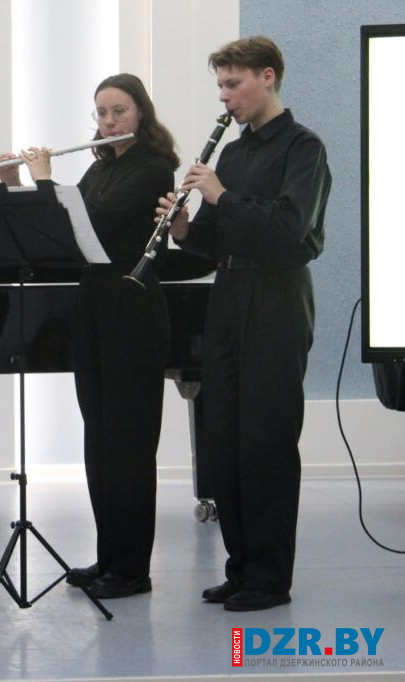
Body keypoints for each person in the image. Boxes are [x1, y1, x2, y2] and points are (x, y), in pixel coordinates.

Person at [160, 36, 331, 611]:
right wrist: (185, 229)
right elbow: (216, 242)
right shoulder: (233, 154)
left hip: (278, 296)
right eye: (220, 85)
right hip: (229, 296)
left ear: (268, 76)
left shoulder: (304, 149)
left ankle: (269, 578)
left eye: (233, 84)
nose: (225, 96)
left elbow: (287, 230)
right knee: (225, 439)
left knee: (267, 441)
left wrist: (220, 196)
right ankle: (240, 567)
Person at [0, 74, 179, 599]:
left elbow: (90, 222)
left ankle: (132, 569)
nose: (109, 122)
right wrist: (15, 184)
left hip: (133, 310)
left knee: (128, 444)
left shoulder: (153, 167)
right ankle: (110, 558)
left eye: (119, 111)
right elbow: (55, 234)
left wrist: (44, 179)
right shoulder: (100, 168)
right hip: (94, 307)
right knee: (99, 439)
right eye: (101, 113)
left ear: (141, 113)